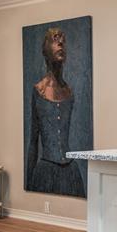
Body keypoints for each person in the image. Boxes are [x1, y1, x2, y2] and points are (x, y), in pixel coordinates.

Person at [26, 27, 85, 196]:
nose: (60, 43)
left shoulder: (69, 92)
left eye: (63, 41)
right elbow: (33, 142)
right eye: (55, 39)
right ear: (45, 49)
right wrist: (29, 185)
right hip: (46, 171)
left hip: (71, 172)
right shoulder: (38, 91)